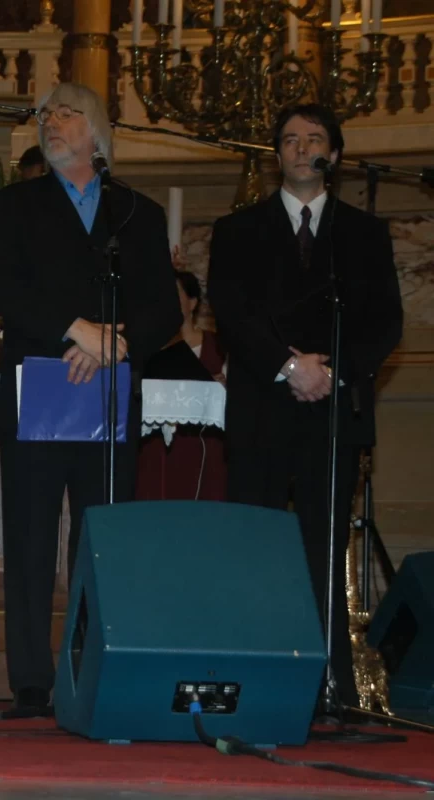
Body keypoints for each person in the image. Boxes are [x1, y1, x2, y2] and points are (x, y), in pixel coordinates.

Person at [0, 82, 180, 718]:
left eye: (67, 113)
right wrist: (77, 331)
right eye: (46, 115)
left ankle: (92, 670)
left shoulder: (137, 212)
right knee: (30, 538)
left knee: (101, 538)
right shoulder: (13, 205)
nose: (52, 122)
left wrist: (114, 343)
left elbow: (165, 308)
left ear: (97, 132)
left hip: (109, 389)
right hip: (39, 383)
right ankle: (30, 681)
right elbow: (4, 290)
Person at [208, 103, 403, 709]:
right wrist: (290, 366)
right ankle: (250, 678)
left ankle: (330, 685)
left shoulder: (364, 233)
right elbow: (233, 314)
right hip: (262, 409)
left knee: (324, 549)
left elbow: (386, 322)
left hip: (332, 413)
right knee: (255, 548)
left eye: (313, 139)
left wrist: (330, 373)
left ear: (334, 155)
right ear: (277, 155)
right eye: (289, 140)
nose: (300, 149)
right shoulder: (237, 230)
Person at [134, 269, 227, 502]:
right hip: (157, 451)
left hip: (204, 448)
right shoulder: (149, 347)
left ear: (193, 302)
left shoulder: (218, 345)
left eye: (174, 294)